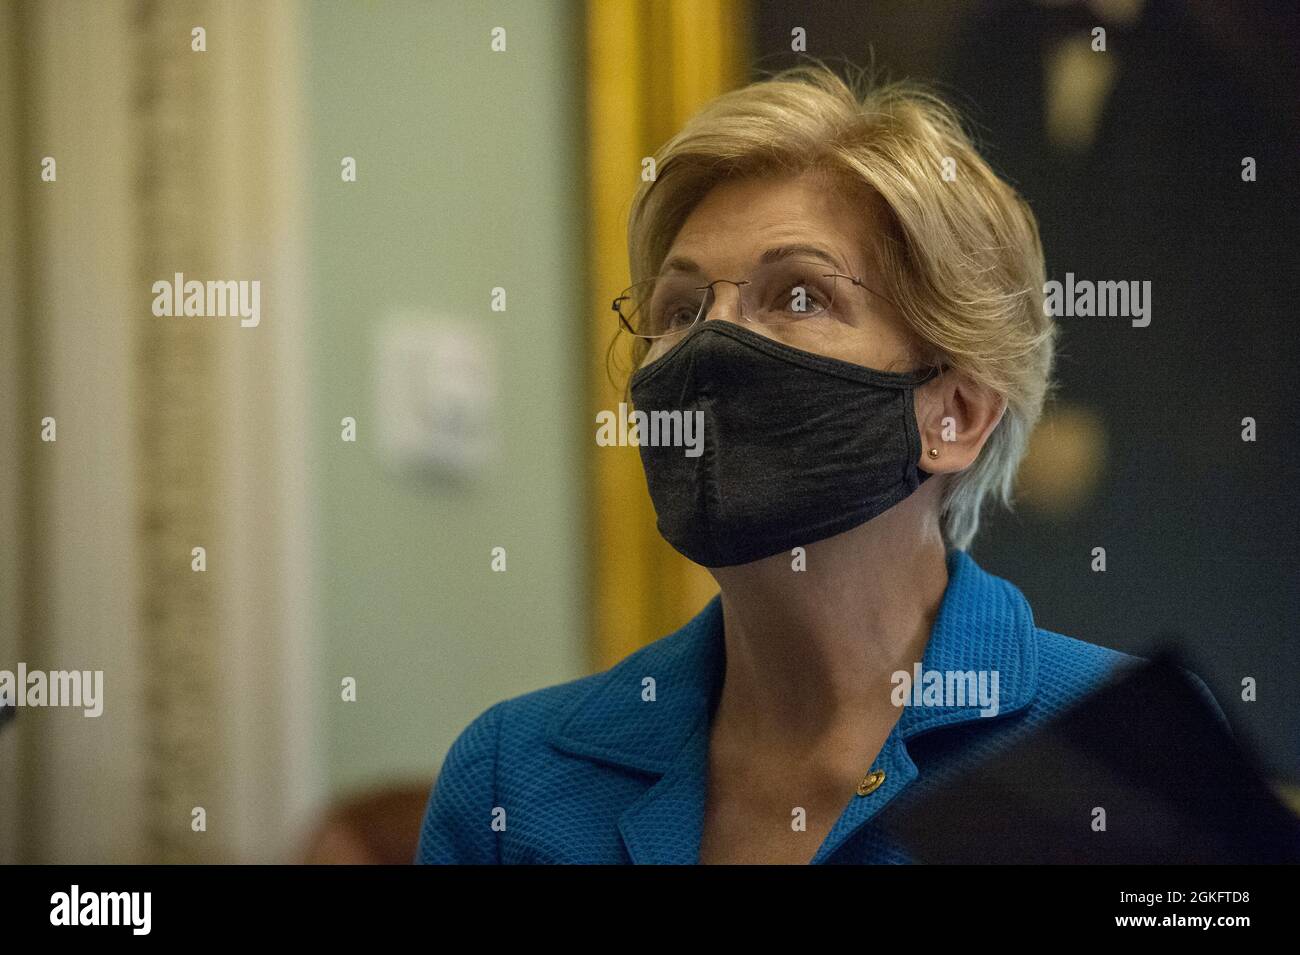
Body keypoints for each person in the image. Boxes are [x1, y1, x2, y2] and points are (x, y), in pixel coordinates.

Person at [416, 63, 1220, 864]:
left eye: (798, 296)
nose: (708, 346)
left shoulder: (1128, 756)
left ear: (957, 412)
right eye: (679, 310)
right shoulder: (512, 783)